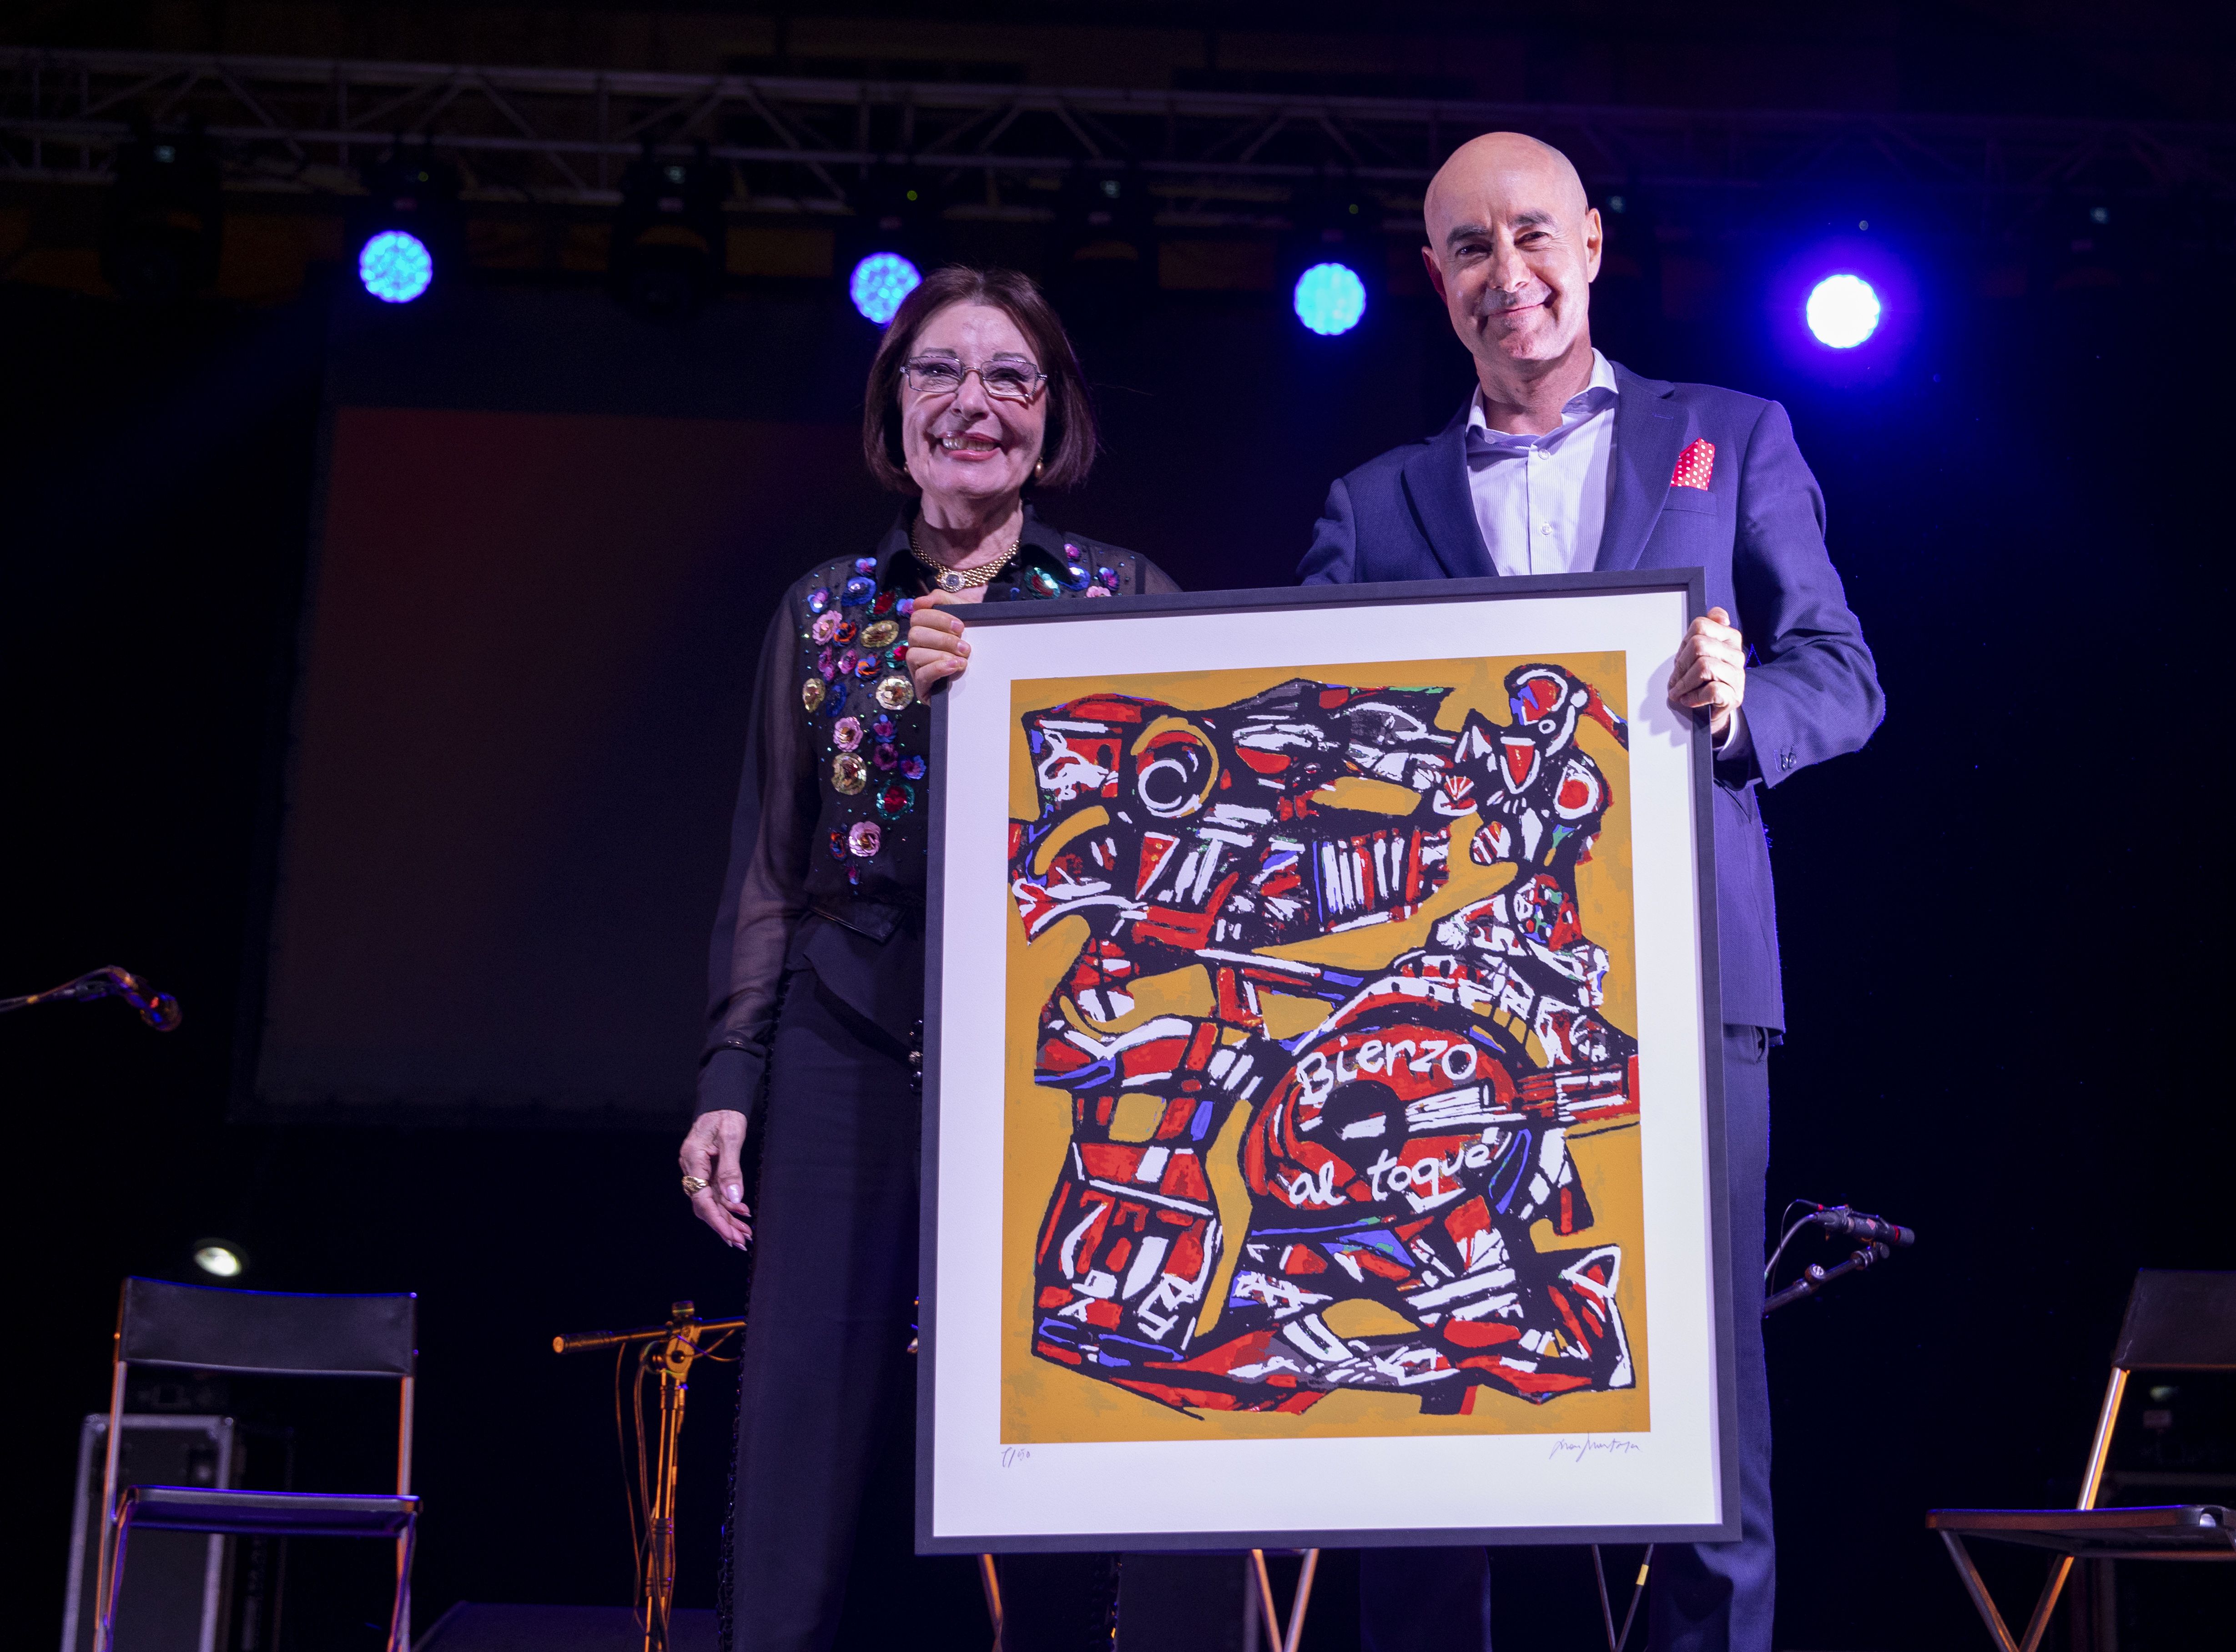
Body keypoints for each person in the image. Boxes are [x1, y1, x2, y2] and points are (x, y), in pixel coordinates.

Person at [1299, 132, 1886, 1652]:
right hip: (1448, 1004)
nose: (1511, 276)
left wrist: (1744, 701)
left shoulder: (1735, 432)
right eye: (1472, 252)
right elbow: (1282, 725)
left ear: (1592, 247)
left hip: (1690, 981)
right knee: (1430, 1363)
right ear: (1435, 284)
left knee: (1701, 1394)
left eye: (1534, 237)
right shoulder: (1372, 506)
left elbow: (1846, 674)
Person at [676, 264, 1179, 1652]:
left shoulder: (1120, 594)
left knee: (1065, 1412)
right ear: (893, 405)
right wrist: (732, 1074)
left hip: (1062, 1062)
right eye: (939, 373)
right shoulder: (824, 610)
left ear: (1051, 417)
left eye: (1010, 378)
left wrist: (1013, 690)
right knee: (797, 1416)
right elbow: (776, 865)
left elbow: (1175, 842)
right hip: (850, 1037)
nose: (974, 404)